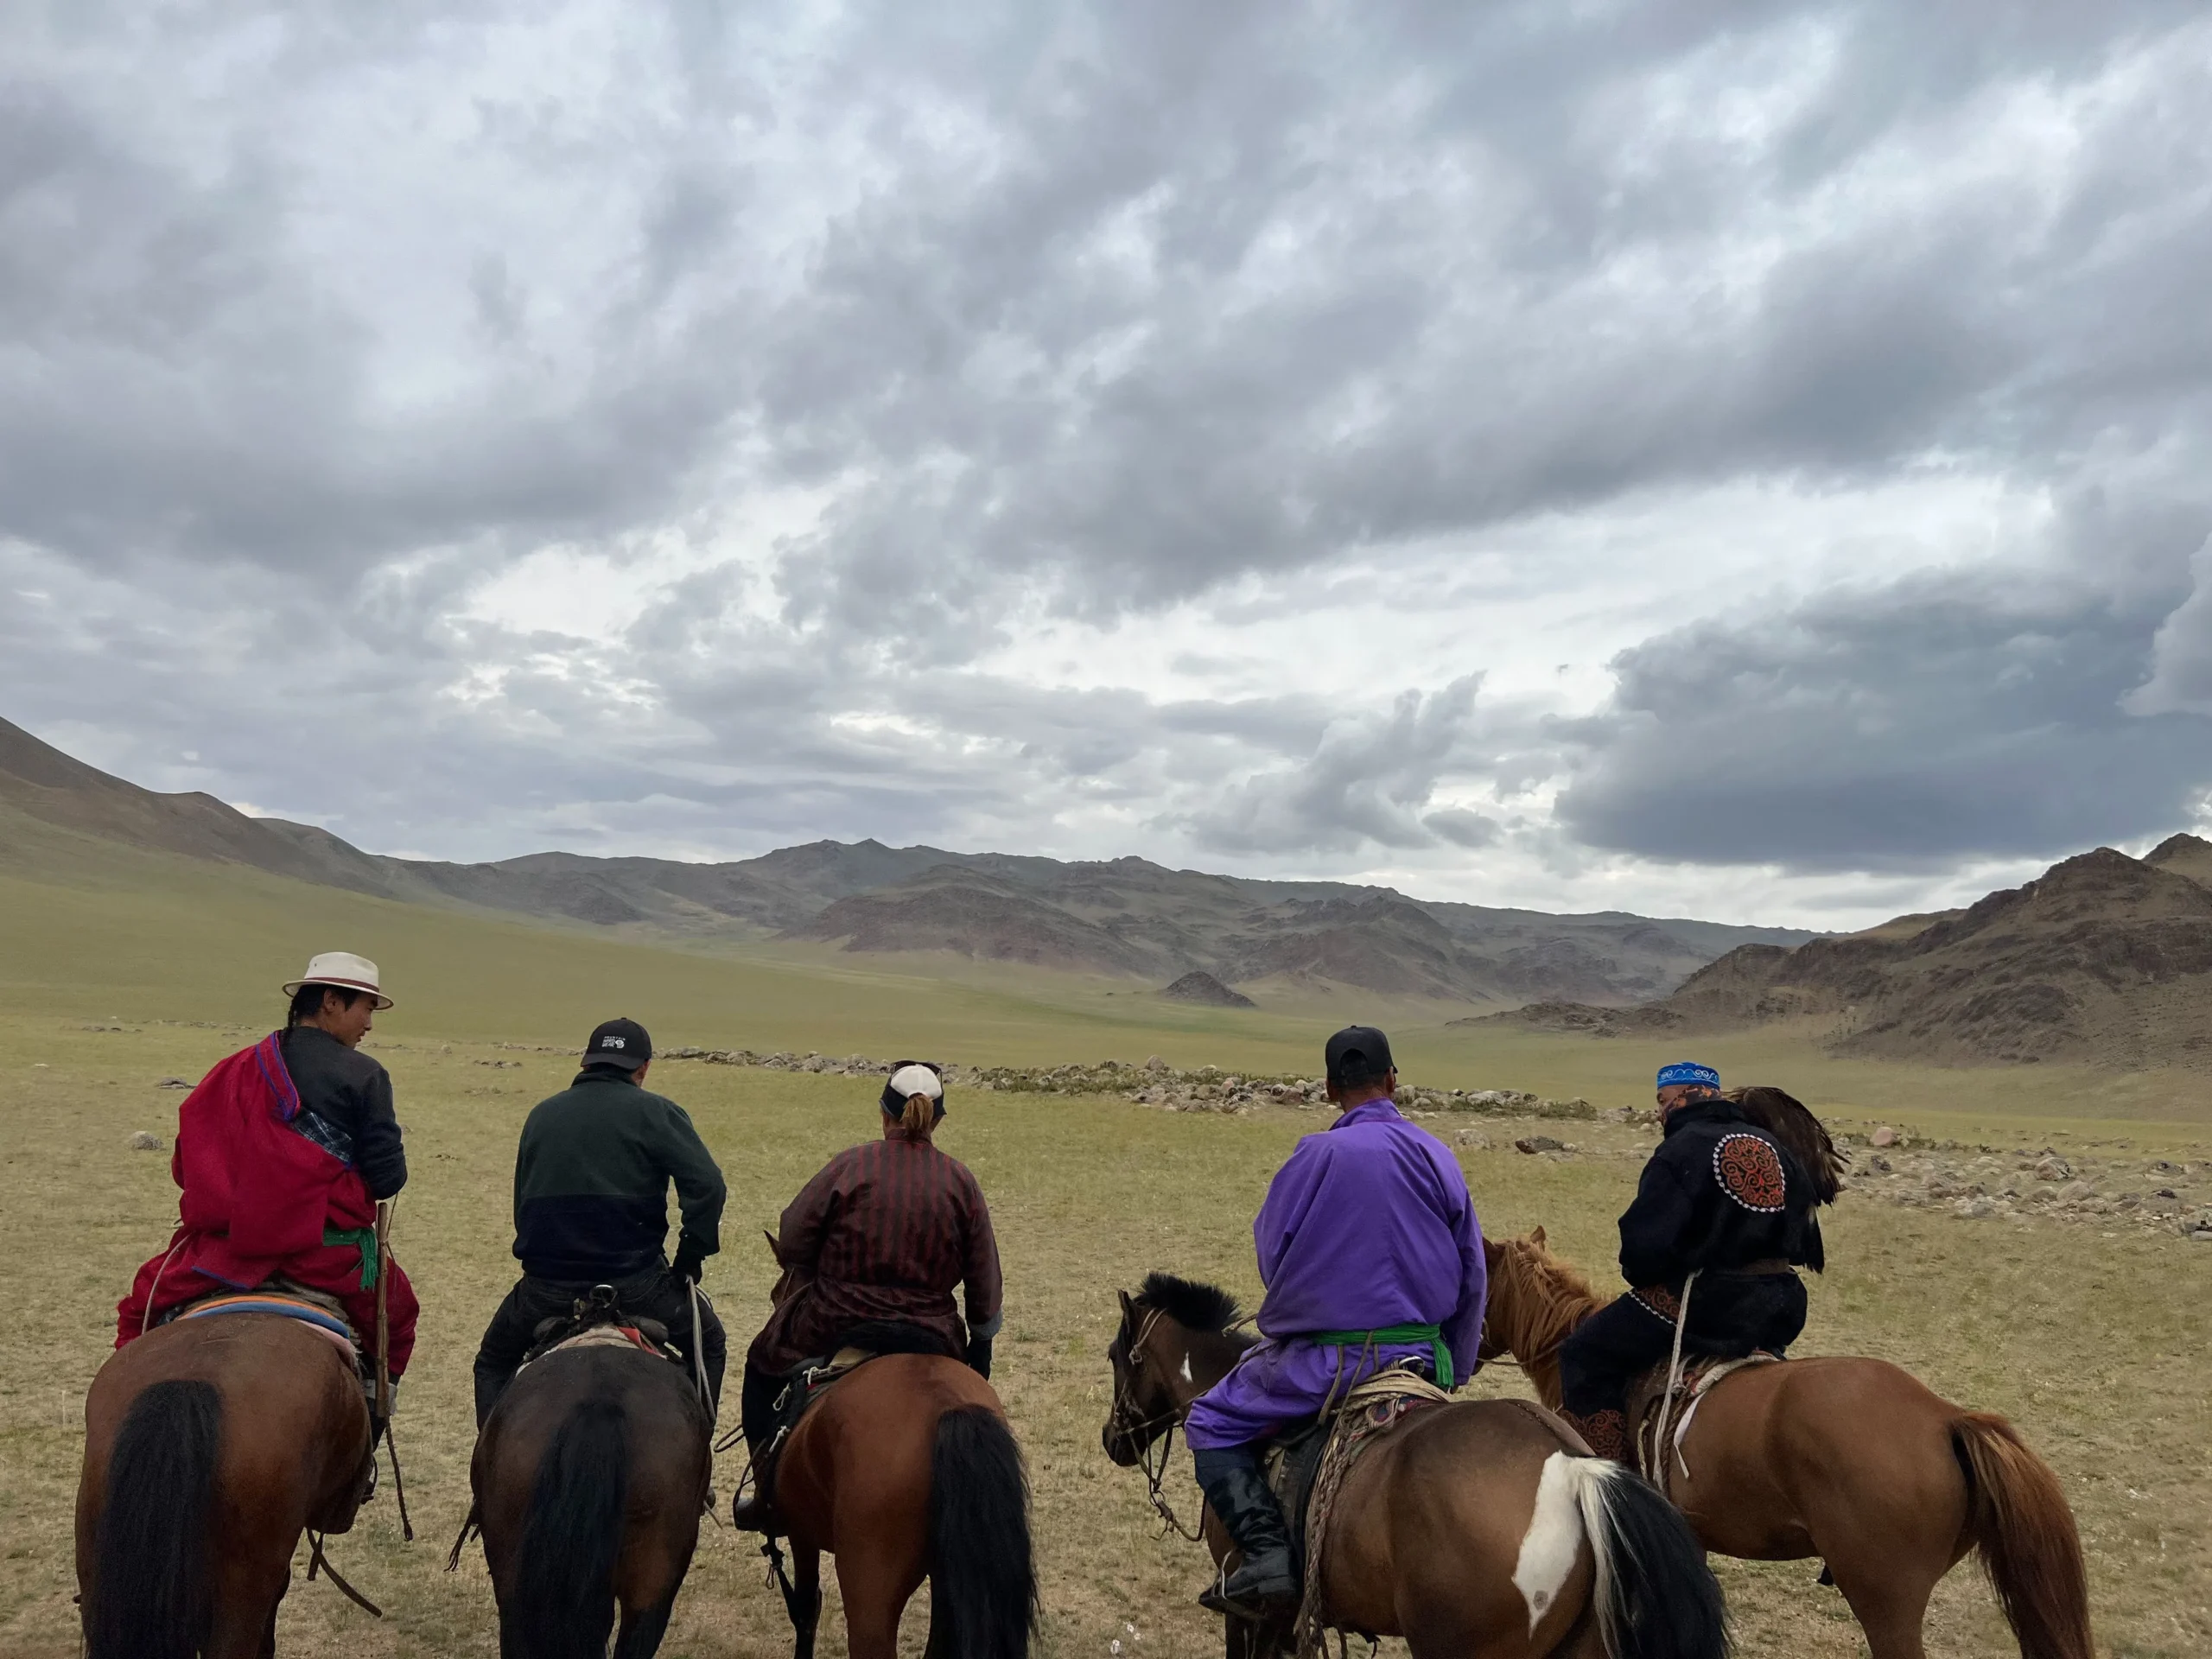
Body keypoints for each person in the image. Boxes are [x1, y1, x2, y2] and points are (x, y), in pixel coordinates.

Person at [1182, 1026, 1486, 1621]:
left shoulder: (1315, 1155)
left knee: (1211, 1418)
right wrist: (1455, 1360)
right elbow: (1473, 1266)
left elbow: (1273, 1253)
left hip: (1328, 1363)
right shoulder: (1437, 1154)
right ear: (1394, 1080)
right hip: (1417, 1360)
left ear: (1328, 1090)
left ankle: (1268, 1556)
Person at [116, 952, 422, 1422]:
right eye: (366, 1008)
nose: (369, 1024)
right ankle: (370, 1434)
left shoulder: (232, 1069)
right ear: (333, 1003)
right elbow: (387, 1179)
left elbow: (186, 1164)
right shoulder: (365, 1076)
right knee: (397, 1320)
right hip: (326, 1257)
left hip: (222, 1255)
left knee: (141, 1310)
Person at [731, 1061, 1002, 1530]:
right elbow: (984, 1278)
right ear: (937, 1120)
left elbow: (793, 1238)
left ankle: (767, 1493)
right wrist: (981, 1347)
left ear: (884, 1114)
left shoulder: (851, 1164)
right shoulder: (961, 1182)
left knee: (760, 1366)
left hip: (835, 1320)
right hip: (931, 1332)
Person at [1555, 1061, 1826, 1463]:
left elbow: (1644, 1249)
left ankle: (1610, 1475)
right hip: (1782, 1304)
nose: (1660, 1111)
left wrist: (1648, 1273)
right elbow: (1808, 1243)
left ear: (1686, 1097)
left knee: (1582, 1353)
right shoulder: (1772, 1146)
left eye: (1663, 1101)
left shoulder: (1681, 1149)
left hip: (1710, 1304)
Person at [472, 1017, 728, 1425]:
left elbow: (524, 1203)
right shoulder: (658, 1112)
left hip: (547, 1289)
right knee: (710, 1343)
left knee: (493, 1360)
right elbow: (708, 1186)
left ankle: (486, 1475)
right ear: (643, 1068)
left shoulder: (542, 1114)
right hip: (638, 1286)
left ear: (586, 1063)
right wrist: (689, 1259)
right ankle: (699, 1466)